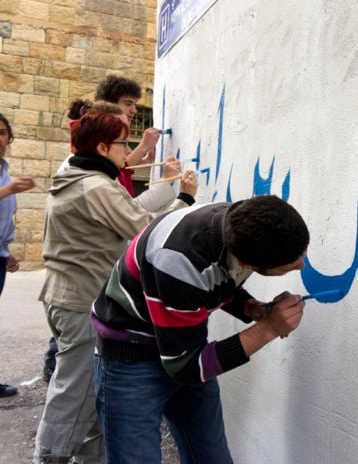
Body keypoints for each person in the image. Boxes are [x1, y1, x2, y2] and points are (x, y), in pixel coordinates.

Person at [91, 195, 309, 463]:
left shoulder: (245, 224)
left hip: (182, 344)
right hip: (131, 357)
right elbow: (185, 366)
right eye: (291, 264)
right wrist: (267, 329)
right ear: (247, 263)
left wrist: (250, 308)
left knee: (211, 457)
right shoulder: (177, 258)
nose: (302, 263)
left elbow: (212, 280)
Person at [34, 110, 198, 464]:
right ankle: (48, 457)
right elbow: (143, 230)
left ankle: (88, 457)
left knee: (91, 388)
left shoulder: (78, 173)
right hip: (80, 299)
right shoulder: (94, 185)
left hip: (68, 296)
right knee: (74, 392)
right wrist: (184, 199)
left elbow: (127, 208)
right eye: (125, 143)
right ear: (103, 146)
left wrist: (167, 185)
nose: (131, 151)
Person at [0, 113, 36, 398]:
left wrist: (7, 251)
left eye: (2, 132)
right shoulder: (6, 180)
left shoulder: (4, 170)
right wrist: (10, 189)